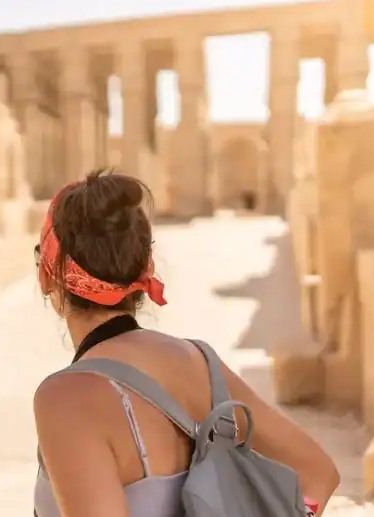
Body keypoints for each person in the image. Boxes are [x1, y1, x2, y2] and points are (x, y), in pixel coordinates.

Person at [31, 169, 340, 517]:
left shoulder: (67, 398)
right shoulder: (200, 362)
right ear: (145, 269)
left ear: (46, 276)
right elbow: (318, 474)